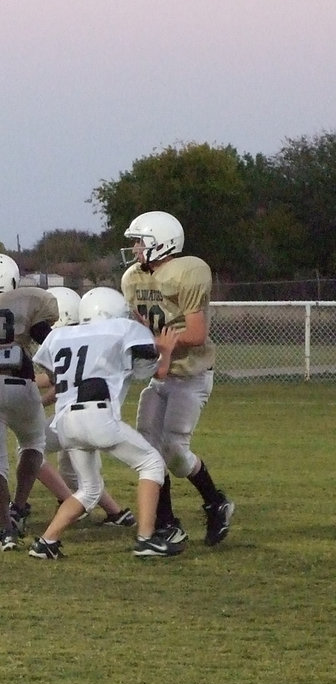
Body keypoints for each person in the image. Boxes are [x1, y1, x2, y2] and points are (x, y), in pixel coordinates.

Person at [28, 287, 182, 558]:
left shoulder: (60, 335)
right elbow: (158, 372)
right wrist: (164, 349)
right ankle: (146, 539)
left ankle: (46, 542)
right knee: (152, 463)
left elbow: (56, 375)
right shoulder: (123, 329)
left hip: (65, 421)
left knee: (89, 489)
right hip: (97, 415)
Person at [120, 211, 234, 547]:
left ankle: (216, 502)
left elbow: (196, 333)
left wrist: (163, 343)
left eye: (140, 241)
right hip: (160, 374)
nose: (136, 248)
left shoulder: (188, 271)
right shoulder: (133, 278)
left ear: (162, 242)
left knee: (173, 450)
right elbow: (141, 324)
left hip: (191, 375)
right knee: (147, 449)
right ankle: (167, 523)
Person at [0, 254, 59, 550]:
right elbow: (48, 342)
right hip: (22, 383)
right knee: (33, 444)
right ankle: (19, 506)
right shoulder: (28, 301)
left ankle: (5, 531)